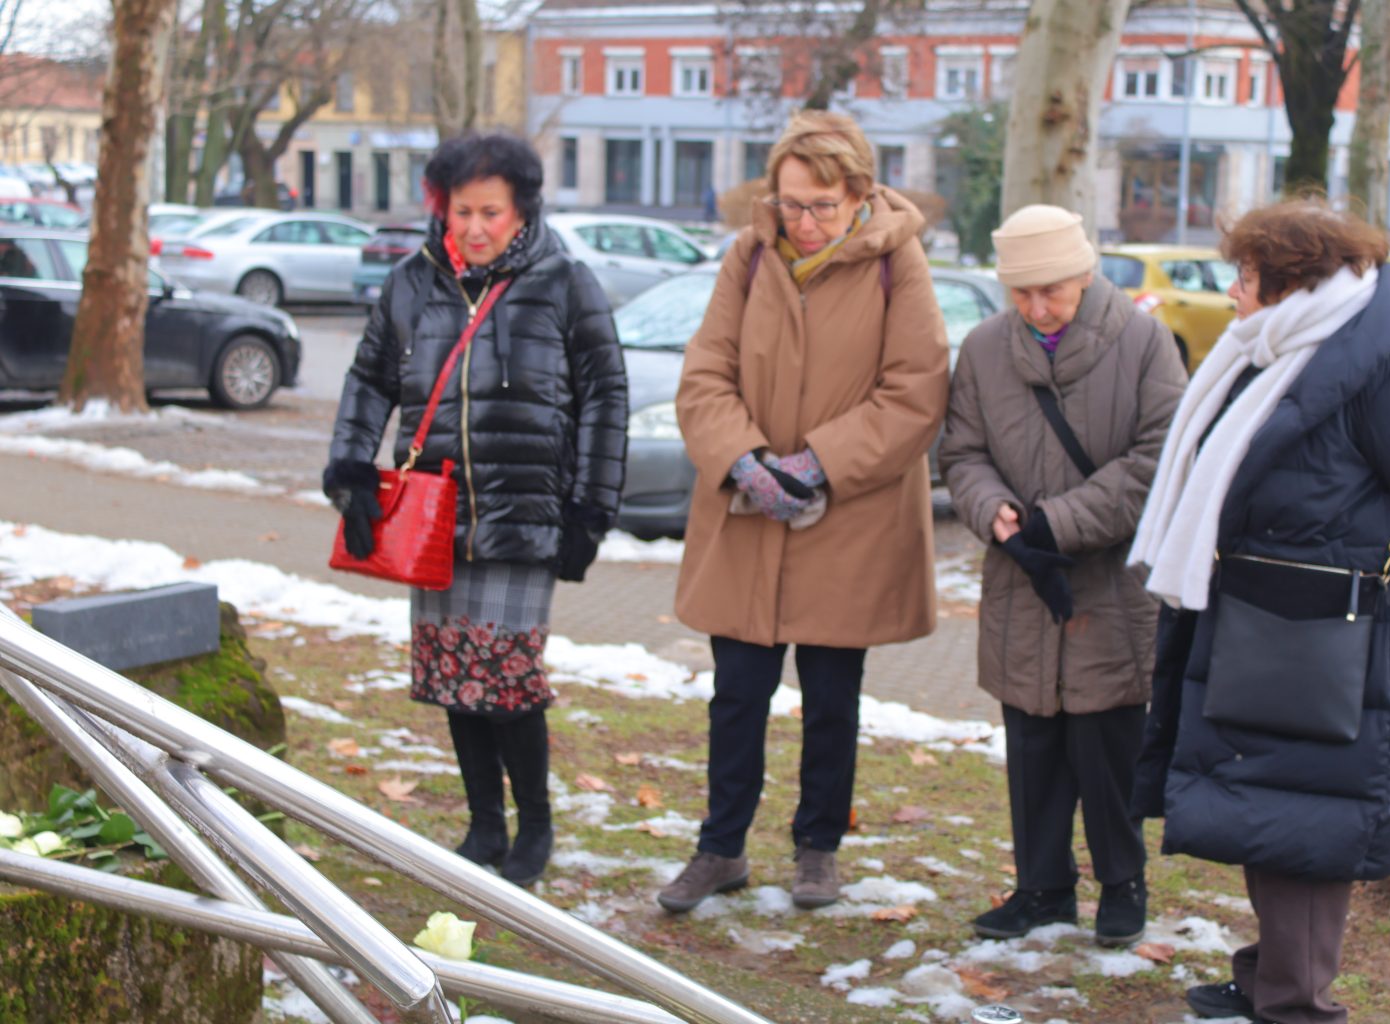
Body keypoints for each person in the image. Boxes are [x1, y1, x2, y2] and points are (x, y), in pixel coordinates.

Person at [1128, 199, 1390, 1024]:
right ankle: (1270, 981)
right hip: (1257, 630)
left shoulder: (1385, 373)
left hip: (1335, 647)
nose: (1232, 290)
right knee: (1272, 818)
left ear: (1292, 282)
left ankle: (1296, 1004)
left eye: (1245, 274)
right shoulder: (1268, 354)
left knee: (1307, 832)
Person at [656, 110, 950, 913]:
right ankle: (720, 848)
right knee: (737, 695)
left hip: (848, 520)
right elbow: (705, 374)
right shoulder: (749, 256)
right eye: (791, 204)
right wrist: (744, 461)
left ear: (858, 195)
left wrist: (819, 461)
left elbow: (916, 390)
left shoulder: (898, 262)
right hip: (749, 518)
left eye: (822, 205)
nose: (805, 222)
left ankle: (818, 849)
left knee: (831, 700)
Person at [323, 131, 627, 888]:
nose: (476, 228)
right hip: (434, 518)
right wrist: (351, 470)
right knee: (453, 674)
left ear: (522, 209)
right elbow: (368, 381)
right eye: (462, 212)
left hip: (526, 514)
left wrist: (591, 507)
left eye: (492, 212)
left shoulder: (565, 282)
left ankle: (535, 823)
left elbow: (605, 395)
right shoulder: (411, 282)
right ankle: (484, 823)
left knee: (507, 677)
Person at [938, 205, 1187, 948]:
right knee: (1033, 744)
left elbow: (1160, 458)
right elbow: (961, 453)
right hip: (1021, 579)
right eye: (1021, 293)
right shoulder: (984, 348)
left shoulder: (1144, 341)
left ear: (1084, 274)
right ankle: (1042, 887)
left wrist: (1060, 520)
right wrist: (995, 511)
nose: (1037, 307)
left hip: (1110, 584)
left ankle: (1123, 882)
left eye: (1051, 290)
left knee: (1108, 746)